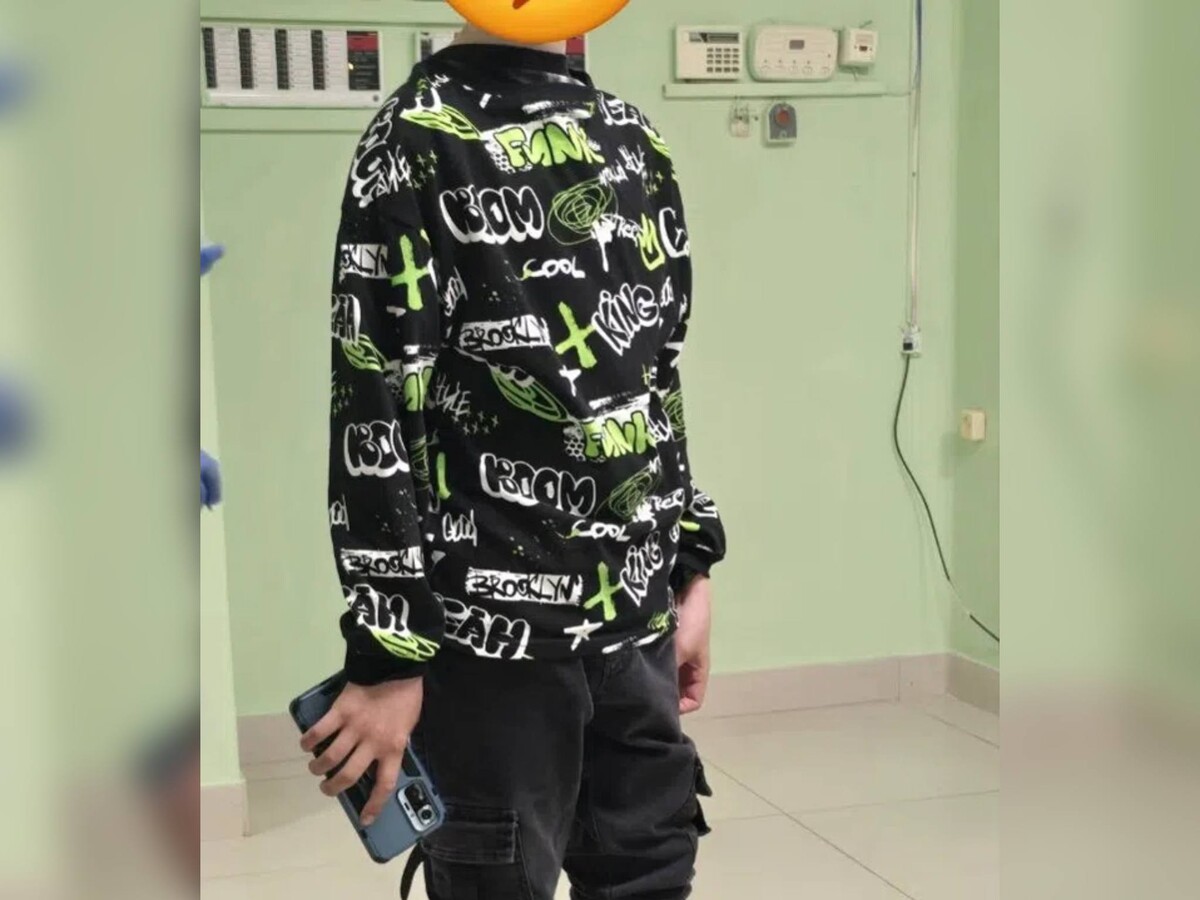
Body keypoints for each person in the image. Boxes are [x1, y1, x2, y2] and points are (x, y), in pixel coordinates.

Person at [302, 23, 726, 900]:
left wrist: (690, 565)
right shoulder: (419, 139)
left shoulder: (627, 137)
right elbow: (378, 403)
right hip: (498, 644)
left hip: (617, 626)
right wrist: (391, 654)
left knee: (632, 874)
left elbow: (651, 374)